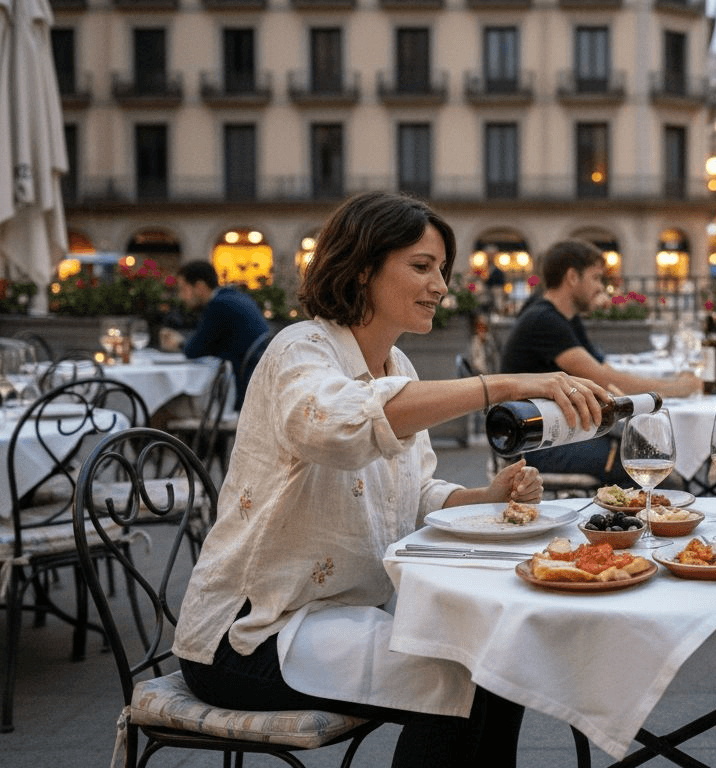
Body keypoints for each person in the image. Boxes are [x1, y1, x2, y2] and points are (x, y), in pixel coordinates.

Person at [172, 191, 611, 768]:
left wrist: (485, 496)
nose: (441, 287)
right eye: (422, 267)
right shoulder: (299, 350)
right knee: (472, 673)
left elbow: (416, 494)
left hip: (337, 621)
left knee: (498, 657)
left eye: (442, 271)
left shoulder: (397, 368)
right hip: (247, 636)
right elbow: (339, 426)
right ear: (361, 268)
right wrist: (501, 384)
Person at [498, 239, 700, 483]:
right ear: (572, 277)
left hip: (563, 432)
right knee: (659, 472)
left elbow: (602, 371)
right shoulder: (544, 320)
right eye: (595, 278)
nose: (600, 287)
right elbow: (604, 379)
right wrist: (679, 388)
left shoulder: (565, 317)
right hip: (537, 445)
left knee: (652, 454)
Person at [160, 260, 271, 404]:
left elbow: (193, 351)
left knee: (165, 406)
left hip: (236, 396)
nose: (181, 296)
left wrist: (179, 342)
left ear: (199, 287)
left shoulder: (219, 305)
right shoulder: (235, 297)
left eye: (183, 289)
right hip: (252, 388)